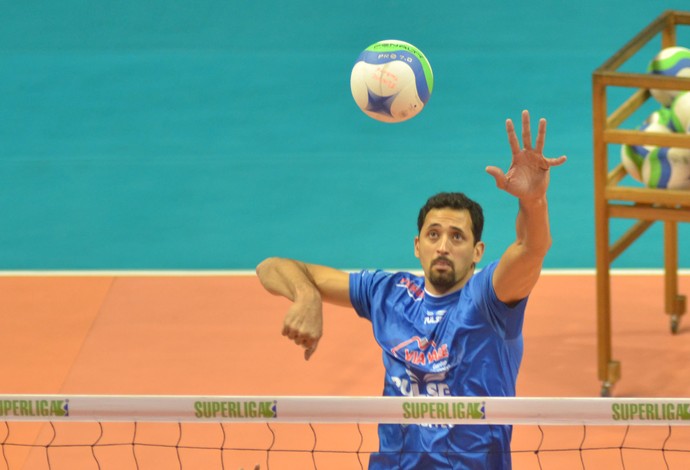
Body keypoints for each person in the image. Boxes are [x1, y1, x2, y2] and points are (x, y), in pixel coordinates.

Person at [255, 110, 566, 469]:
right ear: (417, 246)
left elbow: (531, 249)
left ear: (477, 252)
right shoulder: (388, 293)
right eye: (434, 235)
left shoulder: (489, 301)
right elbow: (271, 267)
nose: (444, 246)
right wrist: (308, 295)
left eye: (457, 237)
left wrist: (533, 201)